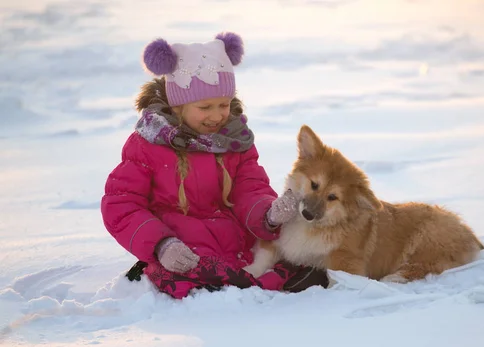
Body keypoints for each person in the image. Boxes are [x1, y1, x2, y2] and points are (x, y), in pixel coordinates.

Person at [101, 32, 328, 299]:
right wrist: (161, 243)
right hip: (182, 242)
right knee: (199, 275)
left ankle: (253, 280)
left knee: (294, 257)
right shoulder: (148, 145)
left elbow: (249, 187)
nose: (218, 115)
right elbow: (122, 204)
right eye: (205, 106)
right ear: (177, 106)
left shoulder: (234, 141)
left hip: (235, 237)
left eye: (224, 104)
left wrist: (268, 214)